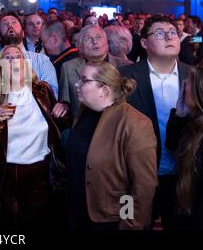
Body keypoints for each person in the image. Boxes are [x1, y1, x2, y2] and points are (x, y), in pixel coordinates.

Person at [0, 44, 65, 229]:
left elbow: (60, 123)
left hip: (41, 171)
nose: (14, 59)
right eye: (7, 57)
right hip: (5, 177)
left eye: (18, 56)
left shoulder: (42, 92)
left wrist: (65, 107)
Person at [120, 15, 192, 229]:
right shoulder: (124, 77)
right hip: (132, 178)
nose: (169, 37)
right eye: (160, 34)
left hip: (182, 177)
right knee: (129, 223)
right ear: (144, 43)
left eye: (173, 33)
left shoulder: (194, 76)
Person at [67, 61, 157, 230]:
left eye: (84, 80)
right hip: (77, 214)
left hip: (109, 221)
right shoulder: (85, 112)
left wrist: (128, 223)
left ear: (104, 90)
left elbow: (141, 185)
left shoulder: (135, 124)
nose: (77, 84)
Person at [59, 24, 129, 119]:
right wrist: (63, 105)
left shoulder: (126, 65)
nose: (94, 41)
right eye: (88, 39)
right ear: (80, 46)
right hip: (83, 125)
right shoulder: (68, 68)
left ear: (107, 42)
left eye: (98, 37)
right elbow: (65, 100)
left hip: (117, 125)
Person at [165, 63, 203, 228]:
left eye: (188, 80)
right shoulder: (193, 122)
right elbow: (172, 145)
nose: (184, 84)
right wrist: (179, 115)